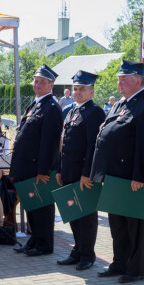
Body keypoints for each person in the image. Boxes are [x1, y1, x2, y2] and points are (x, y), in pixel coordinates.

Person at [90, 59, 144, 283]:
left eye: (124, 80)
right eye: (119, 80)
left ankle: (136, 269)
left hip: (130, 177)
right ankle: (120, 262)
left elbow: (143, 143)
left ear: (138, 81)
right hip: (114, 175)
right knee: (117, 223)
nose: (119, 84)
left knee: (133, 225)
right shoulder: (121, 103)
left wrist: (139, 175)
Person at [55, 70, 106, 271]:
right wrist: (59, 169)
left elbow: (93, 146)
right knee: (73, 213)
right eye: (75, 88)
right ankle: (77, 250)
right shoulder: (71, 111)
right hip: (68, 171)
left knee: (86, 216)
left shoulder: (95, 112)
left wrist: (87, 173)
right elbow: (63, 143)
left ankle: (87, 255)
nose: (77, 92)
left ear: (91, 92)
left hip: (83, 174)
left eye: (82, 89)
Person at [10, 64, 63, 257]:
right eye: (36, 81)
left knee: (42, 208)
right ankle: (34, 240)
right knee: (32, 207)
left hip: (38, 169)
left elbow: (49, 144)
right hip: (26, 167)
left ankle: (44, 245)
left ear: (51, 85)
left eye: (42, 82)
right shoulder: (36, 104)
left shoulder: (51, 108)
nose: (37, 84)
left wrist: (43, 170)